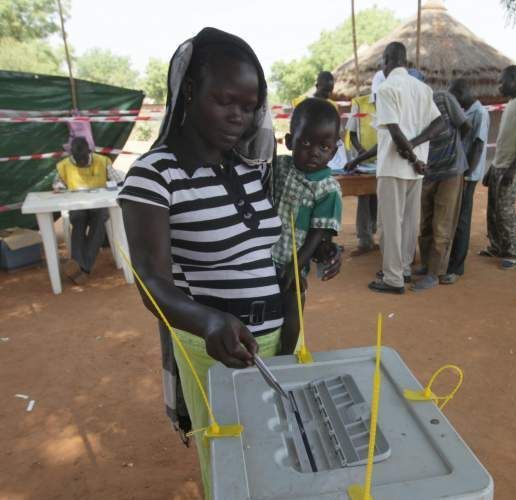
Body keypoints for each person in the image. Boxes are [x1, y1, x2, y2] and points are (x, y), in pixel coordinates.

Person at [117, 28, 340, 498]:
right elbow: (150, 279)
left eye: (249, 105)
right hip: (213, 348)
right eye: (225, 101)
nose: (239, 116)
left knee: (285, 455)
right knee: (235, 469)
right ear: (191, 91)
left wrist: (321, 246)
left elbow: (267, 243)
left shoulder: (248, 169)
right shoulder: (154, 176)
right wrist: (208, 320)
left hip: (279, 335)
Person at [365, 41, 444, 294]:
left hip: (394, 167)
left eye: (383, 62)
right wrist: (418, 152)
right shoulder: (422, 89)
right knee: (410, 222)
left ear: (387, 60)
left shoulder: (387, 88)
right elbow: (440, 123)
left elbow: (395, 131)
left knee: (390, 223)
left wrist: (411, 154)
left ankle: (393, 278)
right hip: (416, 170)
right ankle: (405, 269)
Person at [271, 97, 343, 294]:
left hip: (291, 262)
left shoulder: (328, 189)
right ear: (289, 141)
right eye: (305, 142)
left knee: (293, 303)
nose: (314, 152)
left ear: (334, 152)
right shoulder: (279, 166)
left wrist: (295, 267)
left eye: (324, 147)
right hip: (261, 259)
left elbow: (317, 233)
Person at [481, 65, 516, 268]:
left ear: (514, 80)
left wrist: (513, 167)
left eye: (502, 81)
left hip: (513, 166)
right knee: (494, 209)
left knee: (505, 209)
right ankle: (497, 246)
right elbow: (505, 139)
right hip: (501, 164)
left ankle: (513, 253)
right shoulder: (513, 101)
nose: (499, 86)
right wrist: (493, 167)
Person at [414, 89, 470, 290]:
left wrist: (453, 150)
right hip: (428, 171)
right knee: (426, 221)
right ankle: (427, 264)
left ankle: (434, 273)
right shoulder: (412, 107)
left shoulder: (443, 99)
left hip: (450, 170)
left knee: (442, 223)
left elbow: (465, 126)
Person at [53, 136, 123, 284]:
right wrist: (58, 187)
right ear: (72, 155)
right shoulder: (64, 165)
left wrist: (112, 183)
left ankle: (81, 268)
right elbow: (57, 184)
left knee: (99, 221)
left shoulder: (103, 161)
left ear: (89, 152)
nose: (82, 164)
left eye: (84, 160)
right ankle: (82, 268)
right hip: (77, 206)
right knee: (78, 221)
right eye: (78, 161)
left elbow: (119, 181)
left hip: (98, 206)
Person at [443, 78, 489, 283]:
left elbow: (478, 146)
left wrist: (466, 173)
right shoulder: (468, 111)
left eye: (454, 97)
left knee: (462, 220)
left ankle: (456, 268)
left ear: (461, 92)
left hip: (467, 175)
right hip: (460, 172)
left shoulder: (480, 113)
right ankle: (450, 262)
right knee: (454, 219)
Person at [344, 71, 382, 256]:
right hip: (363, 160)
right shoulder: (359, 103)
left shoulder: (386, 102)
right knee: (364, 197)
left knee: (377, 196)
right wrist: (360, 152)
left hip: (381, 159)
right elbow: (351, 132)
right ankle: (364, 238)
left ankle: (373, 234)